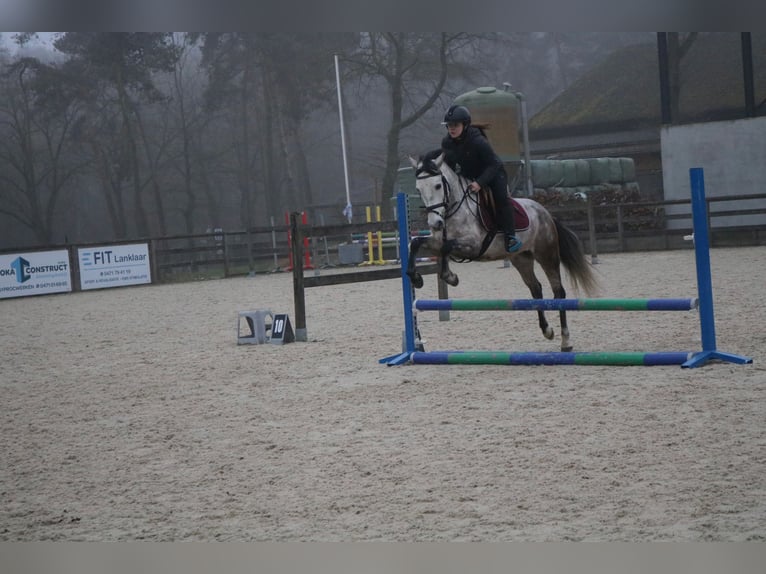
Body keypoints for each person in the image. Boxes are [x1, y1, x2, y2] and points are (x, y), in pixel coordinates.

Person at [435, 104, 522, 253]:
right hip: (470, 175)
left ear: (465, 124)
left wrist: (480, 182)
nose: (451, 128)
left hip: (493, 173)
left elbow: (493, 164)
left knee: (501, 199)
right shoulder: (447, 142)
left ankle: (510, 237)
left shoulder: (478, 141)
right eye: (449, 125)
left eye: (455, 125)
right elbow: (448, 168)